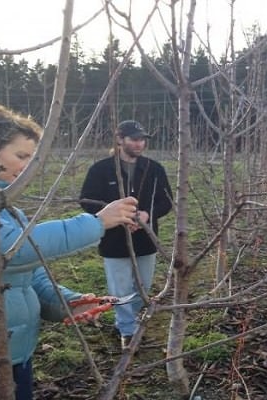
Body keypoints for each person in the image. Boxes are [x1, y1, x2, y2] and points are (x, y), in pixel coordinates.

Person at [0, 105, 139, 400]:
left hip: (9, 354)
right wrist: (97, 223)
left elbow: (28, 272)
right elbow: (9, 250)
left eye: (32, 157)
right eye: (21, 156)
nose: (28, 166)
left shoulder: (6, 208)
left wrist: (67, 302)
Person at [80, 120, 173, 349]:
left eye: (142, 139)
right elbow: (87, 200)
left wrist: (147, 215)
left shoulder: (154, 169)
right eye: (134, 139)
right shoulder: (100, 170)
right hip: (114, 239)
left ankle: (127, 317)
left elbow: (166, 201)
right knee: (120, 288)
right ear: (119, 139)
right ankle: (127, 330)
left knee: (144, 286)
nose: (139, 144)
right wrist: (115, 217)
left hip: (145, 238)